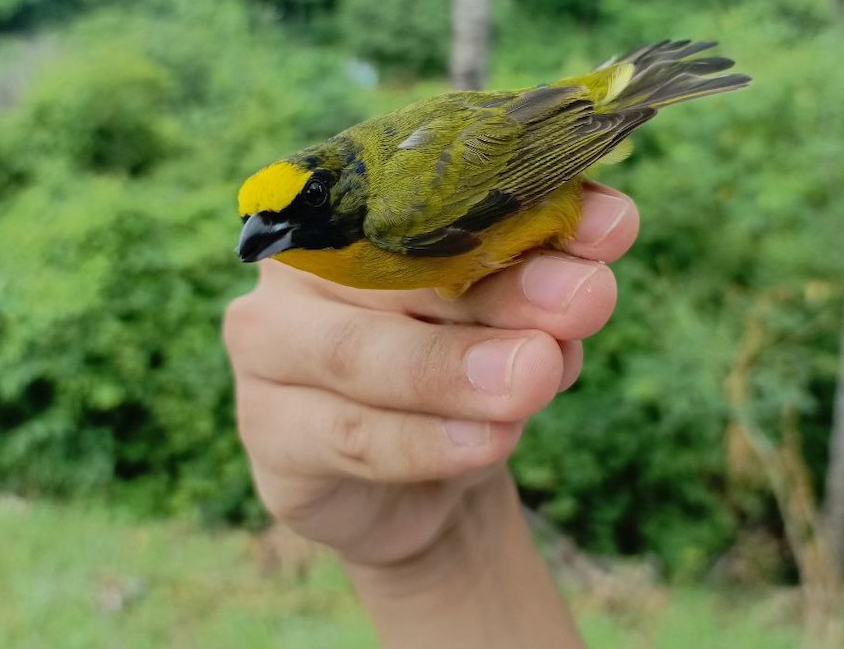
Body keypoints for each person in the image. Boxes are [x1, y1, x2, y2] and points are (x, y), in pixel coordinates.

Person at [222, 182, 639, 647]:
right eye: (252, 222)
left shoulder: (389, 216)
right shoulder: (352, 250)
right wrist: (438, 552)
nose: (261, 230)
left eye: (312, 200)